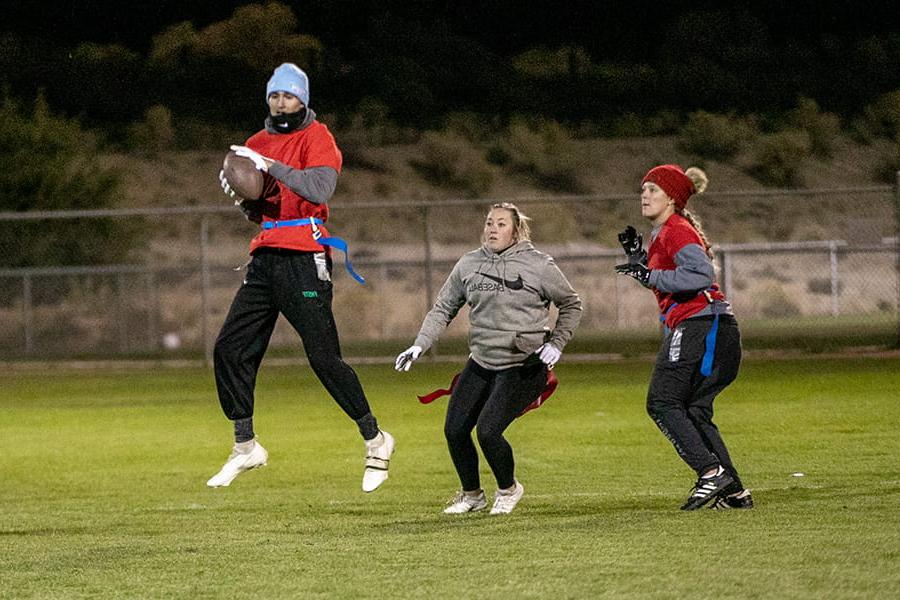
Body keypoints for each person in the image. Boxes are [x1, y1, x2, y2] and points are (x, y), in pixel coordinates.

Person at [208, 63, 394, 492]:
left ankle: (376, 438)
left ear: (303, 100)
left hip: (304, 255)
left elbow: (319, 189)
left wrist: (270, 165)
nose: (281, 103)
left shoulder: (317, 137)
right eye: (275, 96)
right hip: (265, 256)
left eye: (288, 96)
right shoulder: (255, 142)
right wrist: (243, 200)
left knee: (323, 358)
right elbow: (264, 210)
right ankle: (245, 445)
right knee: (229, 349)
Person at [395, 203, 582, 515]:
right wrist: (419, 345)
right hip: (482, 361)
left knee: (488, 431)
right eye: (489, 223)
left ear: (516, 230)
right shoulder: (469, 264)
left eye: (501, 224)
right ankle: (472, 496)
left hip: (524, 364)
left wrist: (558, 343)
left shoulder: (538, 265)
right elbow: (442, 308)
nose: (492, 229)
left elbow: (571, 304)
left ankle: (509, 489)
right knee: (455, 429)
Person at [615, 164, 752, 510]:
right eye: (643, 189)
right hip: (710, 327)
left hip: (699, 326)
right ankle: (734, 493)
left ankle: (710, 472)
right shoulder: (668, 231)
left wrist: (650, 274)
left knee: (662, 402)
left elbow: (701, 275)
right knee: (693, 410)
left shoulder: (675, 229)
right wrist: (640, 262)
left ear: (673, 197)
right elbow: (669, 276)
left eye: (653, 190)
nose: (644, 195)